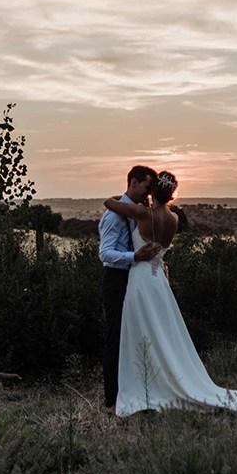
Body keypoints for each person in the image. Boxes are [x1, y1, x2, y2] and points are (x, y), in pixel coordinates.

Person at [103, 170, 237, 418]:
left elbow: (109, 202)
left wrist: (129, 197)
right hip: (159, 280)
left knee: (140, 332)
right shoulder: (173, 219)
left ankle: (142, 382)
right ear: (172, 194)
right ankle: (163, 378)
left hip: (139, 279)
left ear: (154, 192)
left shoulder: (142, 214)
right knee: (162, 332)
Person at [98, 165, 159, 414]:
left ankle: (135, 391)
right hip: (116, 280)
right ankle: (111, 400)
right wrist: (134, 256)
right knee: (115, 337)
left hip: (135, 280)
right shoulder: (114, 216)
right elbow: (105, 253)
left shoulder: (137, 212)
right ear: (133, 183)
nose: (147, 194)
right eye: (146, 187)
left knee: (135, 337)